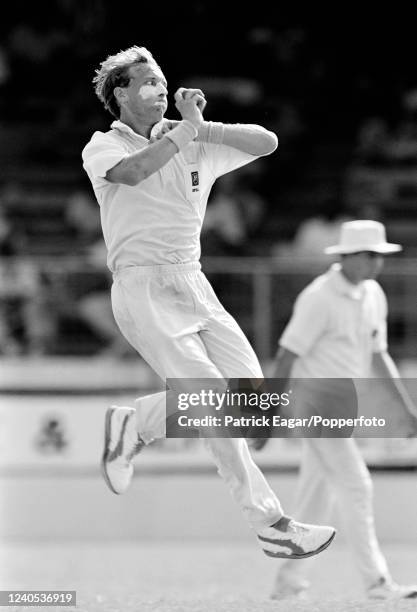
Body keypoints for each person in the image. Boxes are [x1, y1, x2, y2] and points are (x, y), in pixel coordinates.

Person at [81, 45, 336, 560]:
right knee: (216, 402)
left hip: (192, 281)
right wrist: (183, 132)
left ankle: (138, 422)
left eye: (161, 79)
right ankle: (271, 523)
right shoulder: (101, 146)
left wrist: (203, 127)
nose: (159, 88)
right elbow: (133, 174)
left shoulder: (192, 138)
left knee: (251, 401)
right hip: (142, 287)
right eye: (146, 81)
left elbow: (267, 143)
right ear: (121, 94)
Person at [256, 220, 417, 600]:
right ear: (348, 257)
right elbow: (286, 357)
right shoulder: (319, 297)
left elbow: (378, 355)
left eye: (380, 255)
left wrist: (407, 410)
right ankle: (377, 583)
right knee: (357, 485)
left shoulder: (372, 294)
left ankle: (288, 584)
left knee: (317, 497)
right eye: (370, 255)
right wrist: (270, 415)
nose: (377, 263)